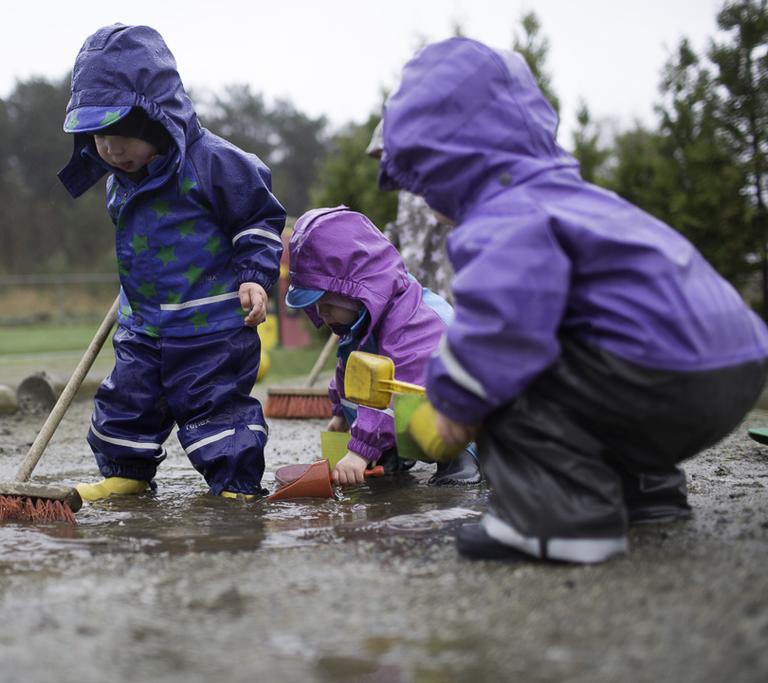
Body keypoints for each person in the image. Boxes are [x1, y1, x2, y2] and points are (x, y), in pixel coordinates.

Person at [377, 37, 768, 563]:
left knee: (504, 377)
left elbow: (501, 328)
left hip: (659, 373)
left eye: (422, 181)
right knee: (579, 358)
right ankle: (646, 495)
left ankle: (562, 522)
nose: (422, 198)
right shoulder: (579, 198)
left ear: (446, 166)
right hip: (734, 364)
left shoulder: (505, 214)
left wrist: (453, 403)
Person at [57, 24, 286, 501]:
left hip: (211, 326)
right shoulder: (121, 176)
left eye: (121, 134)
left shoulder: (215, 163)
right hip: (144, 325)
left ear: (155, 119)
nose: (110, 150)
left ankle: (235, 484)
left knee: (214, 405)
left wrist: (255, 277)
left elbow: (259, 220)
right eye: (97, 136)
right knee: (127, 400)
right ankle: (127, 472)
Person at [285, 207, 480, 486]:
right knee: (365, 378)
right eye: (317, 306)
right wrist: (341, 413)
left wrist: (359, 450)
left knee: (422, 401)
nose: (322, 313)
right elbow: (349, 370)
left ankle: (460, 458)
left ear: (355, 290)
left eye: (327, 304)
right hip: (419, 403)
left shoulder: (412, 323)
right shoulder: (362, 320)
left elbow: (394, 390)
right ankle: (394, 451)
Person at [366, 122, 456, 303]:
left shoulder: (438, 182)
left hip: (443, 277)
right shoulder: (406, 191)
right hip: (413, 279)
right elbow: (405, 225)